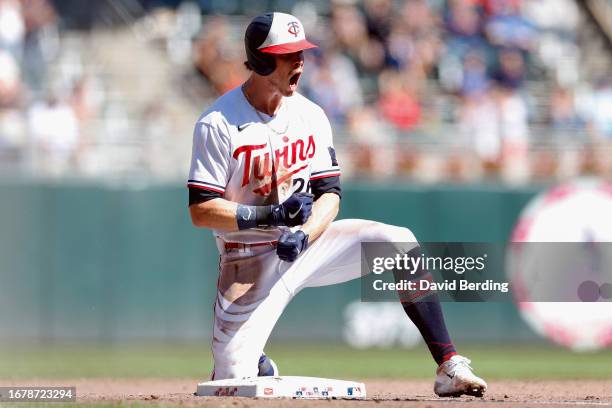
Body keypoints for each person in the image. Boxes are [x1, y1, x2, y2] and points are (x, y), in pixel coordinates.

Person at [187, 12, 487, 397]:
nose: (299, 62)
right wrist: (271, 214)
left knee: (397, 241)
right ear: (262, 61)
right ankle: (259, 360)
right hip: (246, 260)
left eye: (301, 53)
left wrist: (306, 232)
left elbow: (330, 195)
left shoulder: (310, 115)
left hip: (305, 243)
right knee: (230, 382)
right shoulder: (218, 123)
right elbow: (201, 210)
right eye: (287, 55)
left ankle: (449, 364)